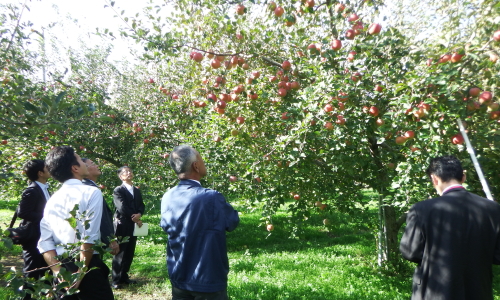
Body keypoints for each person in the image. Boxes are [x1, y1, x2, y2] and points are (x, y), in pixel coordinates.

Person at [400, 155, 500, 300]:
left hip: (433, 291)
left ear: (434, 178)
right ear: (463, 177)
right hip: (478, 291)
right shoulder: (492, 209)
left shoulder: (422, 209)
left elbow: (410, 251)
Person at [160, 145, 240, 300]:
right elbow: (232, 222)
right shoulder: (211, 197)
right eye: (201, 158)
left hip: (179, 276)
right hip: (208, 278)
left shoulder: (168, 197)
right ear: (195, 166)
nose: (204, 163)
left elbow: (167, 227)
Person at [38, 146, 114, 300]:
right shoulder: (91, 192)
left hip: (61, 267)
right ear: (75, 168)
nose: (85, 163)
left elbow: (45, 242)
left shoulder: (52, 200)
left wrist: (58, 271)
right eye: (81, 160)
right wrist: (80, 274)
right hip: (87, 265)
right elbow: (89, 237)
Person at [17, 159, 51, 300]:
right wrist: (46, 216)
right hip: (33, 237)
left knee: (45, 270)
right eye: (46, 167)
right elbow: (23, 212)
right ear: (40, 173)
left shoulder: (44, 187)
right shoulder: (32, 190)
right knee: (31, 273)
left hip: (43, 236)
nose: (50, 168)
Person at [111, 166, 144, 289]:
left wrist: (139, 214)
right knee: (120, 251)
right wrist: (134, 217)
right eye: (125, 172)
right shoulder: (118, 190)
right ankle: (115, 279)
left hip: (133, 224)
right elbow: (122, 207)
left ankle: (124, 276)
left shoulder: (136, 190)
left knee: (130, 250)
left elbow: (141, 205)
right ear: (121, 176)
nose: (129, 173)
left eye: (130, 171)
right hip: (123, 223)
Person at [81, 158, 119, 256]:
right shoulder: (90, 189)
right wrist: (111, 239)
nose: (97, 165)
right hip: (90, 245)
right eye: (93, 163)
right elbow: (101, 216)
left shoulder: (88, 187)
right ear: (84, 168)